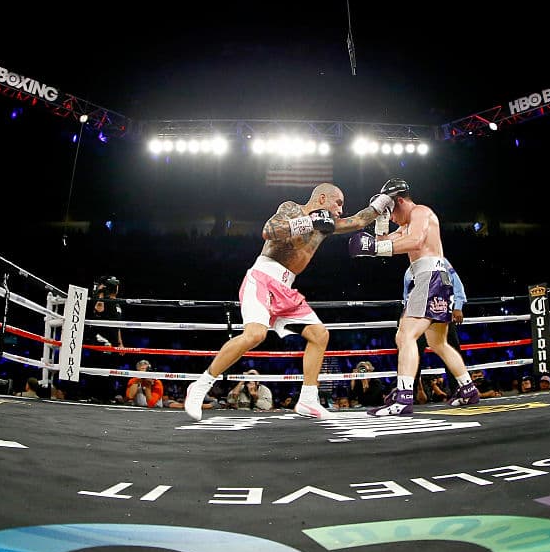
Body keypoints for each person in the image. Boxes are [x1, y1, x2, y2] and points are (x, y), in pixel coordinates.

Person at [183, 183, 388, 420]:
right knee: (255, 335)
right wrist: (310, 222)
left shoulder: (327, 226)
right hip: (262, 278)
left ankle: (308, 400)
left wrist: (385, 199)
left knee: (319, 335)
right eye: (338, 203)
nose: (341, 210)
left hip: (285, 287)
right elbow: (269, 230)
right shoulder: (292, 208)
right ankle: (200, 385)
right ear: (322, 198)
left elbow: (359, 221)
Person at [348, 178, 480, 415]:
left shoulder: (421, 212)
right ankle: (468, 389)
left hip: (431, 276)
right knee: (438, 343)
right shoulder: (403, 227)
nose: (391, 216)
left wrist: (376, 248)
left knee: (405, 335)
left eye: (390, 210)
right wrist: (379, 219)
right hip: (434, 279)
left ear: (399, 201)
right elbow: (381, 244)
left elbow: (415, 241)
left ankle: (403, 397)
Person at [409, 258, 467, 396]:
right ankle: (409, 393)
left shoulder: (442, 262)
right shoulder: (413, 266)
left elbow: (456, 283)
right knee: (413, 352)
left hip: (442, 311)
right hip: (420, 315)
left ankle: (459, 389)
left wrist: (458, 307)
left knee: (450, 349)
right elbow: (408, 291)